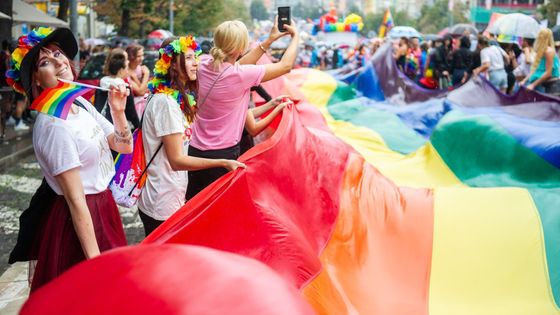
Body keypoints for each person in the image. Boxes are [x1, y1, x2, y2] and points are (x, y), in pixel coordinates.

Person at [5, 27, 131, 292]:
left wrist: (118, 112)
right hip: (77, 223)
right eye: (45, 62)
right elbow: (75, 200)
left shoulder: (80, 105)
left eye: (59, 54)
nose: (59, 62)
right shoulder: (53, 124)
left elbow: (123, 146)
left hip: (103, 207)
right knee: (90, 295)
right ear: (36, 80)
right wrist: (94, 261)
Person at [138, 36, 246, 236]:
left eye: (195, 57)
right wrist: (222, 162)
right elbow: (177, 161)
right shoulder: (166, 103)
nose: (196, 62)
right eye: (188, 58)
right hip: (162, 202)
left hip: (171, 196)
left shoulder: (174, 98)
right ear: (172, 64)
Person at [185, 18, 299, 200]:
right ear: (240, 48)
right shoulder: (240, 75)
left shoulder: (204, 64)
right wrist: (295, 36)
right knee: (220, 210)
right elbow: (285, 66)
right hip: (223, 156)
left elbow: (235, 66)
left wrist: (268, 42)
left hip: (195, 152)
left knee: (194, 208)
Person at [96, 48, 140, 130]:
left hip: (102, 127)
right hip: (119, 128)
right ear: (121, 67)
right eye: (126, 60)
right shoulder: (123, 88)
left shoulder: (101, 83)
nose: (128, 62)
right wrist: (139, 128)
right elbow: (132, 115)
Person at [521, 28, 560, 93]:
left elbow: (548, 73)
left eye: (540, 36)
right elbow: (535, 69)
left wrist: (533, 85)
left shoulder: (549, 51)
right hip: (541, 84)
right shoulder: (541, 51)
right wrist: (524, 80)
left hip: (551, 86)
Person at [125, 43, 150, 116]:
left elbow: (146, 89)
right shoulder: (126, 72)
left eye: (142, 55)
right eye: (138, 56)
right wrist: (146, 75)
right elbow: (141, 92)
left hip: (144, 103)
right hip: (134, 107)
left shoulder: (140, 69)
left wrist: (136, 79)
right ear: (131, 57)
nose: (142, 58)